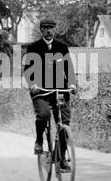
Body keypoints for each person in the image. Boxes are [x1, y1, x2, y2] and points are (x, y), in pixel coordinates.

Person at [23, 19, 76, 171]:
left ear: (55, 30)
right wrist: (32, 84)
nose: (48, 31)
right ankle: (39, 141)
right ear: (41, 30)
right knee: (44, 115)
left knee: (64, 123)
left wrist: (72, 84)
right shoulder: (33, 48)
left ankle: (61, 159)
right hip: (40, 91)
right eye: (45, 28)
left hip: (59, 91)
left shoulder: (62, 47)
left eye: (51, 28)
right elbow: (27, 70)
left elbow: (69, 69)